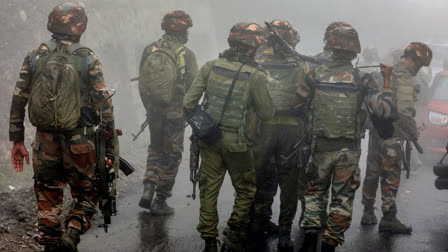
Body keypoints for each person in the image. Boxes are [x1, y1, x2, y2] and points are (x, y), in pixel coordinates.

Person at [9, 3, 116, 251]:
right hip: (81, 142)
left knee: (47, 198)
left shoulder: (34, 57)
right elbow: (104, 105)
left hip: (44, 143)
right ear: (80, 26)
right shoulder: (88, 58)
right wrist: (108, 148)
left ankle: (50, 244)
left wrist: (17, 141)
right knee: (86, 196)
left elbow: (18, 100)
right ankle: (71, 237)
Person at [294, 23, 395, 252]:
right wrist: (386, 80)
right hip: (348, 151)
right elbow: (384, 111)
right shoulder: (362, 79)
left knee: (314, 194)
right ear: (354, 50)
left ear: (329, 47)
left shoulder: (314, 74)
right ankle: (329, 246)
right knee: (342, 201)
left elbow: (297, 104)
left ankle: (309, 241)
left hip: (319, 148)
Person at [183, 22, 273, 252]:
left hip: (209, 139)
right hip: (239, 143)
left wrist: (204, 125)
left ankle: (209, 241)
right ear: (254, 48)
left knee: (208, 189)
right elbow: (266, 113)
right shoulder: (256, 76)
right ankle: (233, 235)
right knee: (245, 189)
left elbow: (188, 103)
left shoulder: (210, 66)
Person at [361, 42, 432, 233]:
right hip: (392, 134)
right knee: (391, 175)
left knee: (372, 171)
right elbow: (404, 111)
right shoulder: (405, 77)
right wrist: (413, 131)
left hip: (377, 129)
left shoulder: (388, 71)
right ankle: (389, 218)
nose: (419, 68)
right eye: (420, 64)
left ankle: (367, 212)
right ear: (416, 61)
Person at [250, 19, 308, 251]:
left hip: (263, 126)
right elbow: (306, 96)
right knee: (290, 182)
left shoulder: (257, 60)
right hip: (291, 128)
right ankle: (284, 233)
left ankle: (256, 223)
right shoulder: (300, 63)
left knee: (259, 176)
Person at [138, 10, 198, 215]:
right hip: (175, 114)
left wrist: (149, 108)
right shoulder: (187, 55)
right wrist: (187, 111)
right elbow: (193, 87)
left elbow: (142, 84)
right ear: (183, 31)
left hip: (154, 112)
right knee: (172, 155)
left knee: (155, 149)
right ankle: (160, 200)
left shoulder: (149, 49)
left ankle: (148, 188)